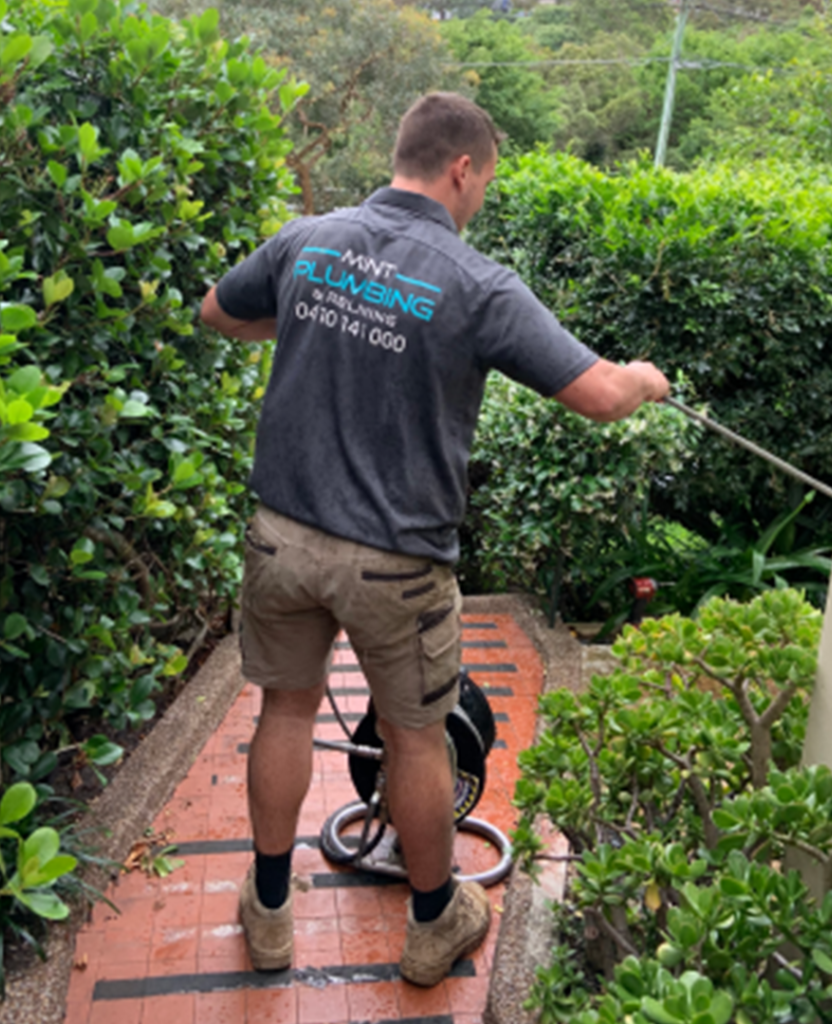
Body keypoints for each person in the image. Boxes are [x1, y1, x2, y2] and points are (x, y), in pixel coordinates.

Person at [200, 91, 670, 987]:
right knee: (419, 739)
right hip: (398, 567)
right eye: (485, 180)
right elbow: (603, 396)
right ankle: (430, 926)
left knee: (285, 711)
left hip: (281, 538)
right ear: (461, 169)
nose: (482, 196)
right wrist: (645, 379)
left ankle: (266, 914)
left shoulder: (309, 240)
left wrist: (306, 323)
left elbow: (217, 312)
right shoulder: (478, 285)